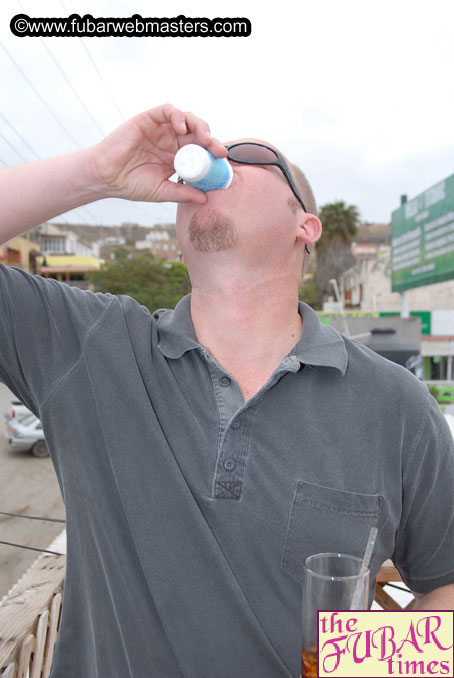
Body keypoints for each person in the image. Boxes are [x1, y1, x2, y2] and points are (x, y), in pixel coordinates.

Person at [0, 104, 453, 678]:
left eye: (248, 156)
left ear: (304, 227)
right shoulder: (92, 346)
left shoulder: (397, 407)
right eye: (217, 155)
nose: (219, 160)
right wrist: (97, 172)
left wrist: (355, 664)